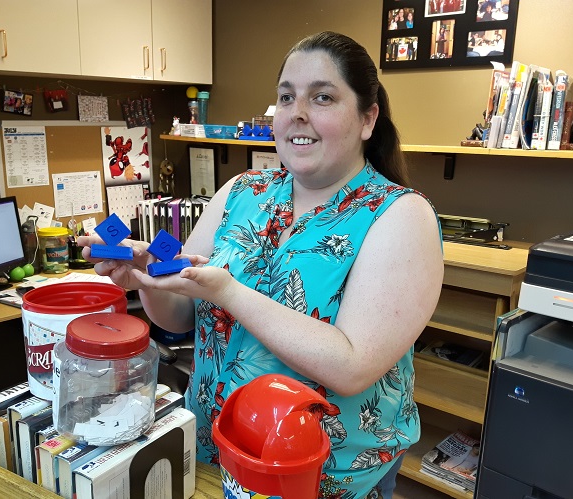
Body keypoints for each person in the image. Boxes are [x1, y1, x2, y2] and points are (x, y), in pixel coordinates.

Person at [78, 31, 443, 498]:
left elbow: (351, 366)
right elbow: (178, 315)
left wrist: (227, 291)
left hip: (323, 478)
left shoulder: (399, 215)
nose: (297, 113)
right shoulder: (242, 192)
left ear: (368, 119)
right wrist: (145, 280)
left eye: (323, 97)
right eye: (286, 97)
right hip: (216, 456)